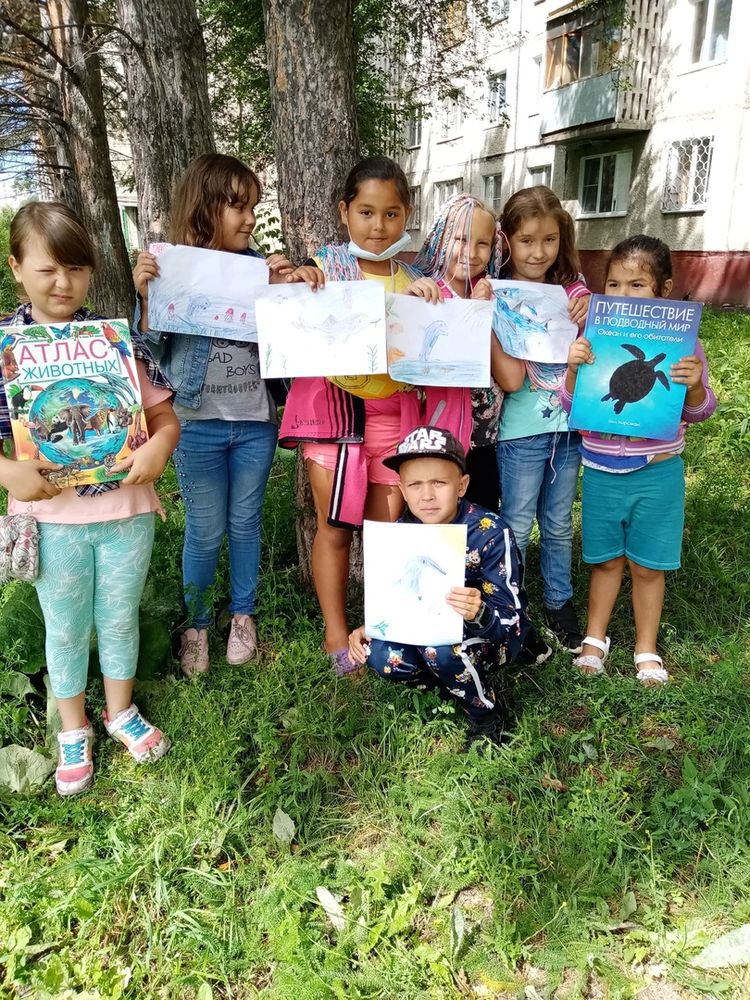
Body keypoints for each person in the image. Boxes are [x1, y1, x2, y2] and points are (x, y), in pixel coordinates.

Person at [0, 201, 180, 796]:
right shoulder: (5, 349)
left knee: (120, 615)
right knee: (65, 626)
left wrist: (158, 449)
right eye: (47, 268)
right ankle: (73, 727)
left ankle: (120, 710)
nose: (63, 282)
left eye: (76, 268)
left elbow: (164, 417)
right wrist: (7, 472)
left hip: (125, 512)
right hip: (51, 519)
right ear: (16, 268)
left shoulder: (116, 342)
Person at [279, 156, 472, 677]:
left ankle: (386, 632)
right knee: (335, 526)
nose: (378, 226)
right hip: (335, 418)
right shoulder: (324, 270)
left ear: (406, 215)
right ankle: (336, 637)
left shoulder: (416, 278)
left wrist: (429, 302)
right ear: (345, 212)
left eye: (391, 214)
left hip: (396, 421)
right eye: (366, 212)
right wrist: (297, 280)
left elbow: (440, 345)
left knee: (390, 533)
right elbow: (290, 309)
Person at [134, 153, 292, 677]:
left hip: (254, 422)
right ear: (205, 209)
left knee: (245, 524)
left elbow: (293, 343)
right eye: (238, 207)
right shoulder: (175, 270)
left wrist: (290, 290)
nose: (249, 219)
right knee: (203, 531)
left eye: (253, 208)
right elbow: (152, 349)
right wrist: (147, 297)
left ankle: (242, 615)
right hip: (196, 422)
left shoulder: (263, 270)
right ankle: (197, 624)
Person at [560, 235, 716, 685]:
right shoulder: (592, 338)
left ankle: (646, 647)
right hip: (601, 471)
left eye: (637, 285)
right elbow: (570, 406)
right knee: (605, 561)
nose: (623, 294)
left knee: (648, 565)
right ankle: (595, 638)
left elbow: (701, 412)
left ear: (663, 290)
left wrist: (695, 387)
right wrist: (572, 370)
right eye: (613, 284)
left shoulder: (686, 346)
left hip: (658, 472)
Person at [348, 425, 549, 750]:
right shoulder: (401, 533)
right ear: (402, 489)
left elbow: (508, 616)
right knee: (381, 655)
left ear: (461, 485)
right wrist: (372, 625)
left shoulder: (490, 531)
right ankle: (452, 684)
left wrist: (480, 612)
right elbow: (397, 594)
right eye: (415, 484)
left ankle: (485, 713)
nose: (426, 495)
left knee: (441, 649)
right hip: (426, 625)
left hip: (491, 632)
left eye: (439, 483)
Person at [493, 186, 590, 653]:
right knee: (515, 522)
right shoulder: (494, 289)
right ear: (507, 240)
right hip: (521, 431)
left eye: (549, 240)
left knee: (557, 522)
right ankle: (511, 605)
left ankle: (559, 601)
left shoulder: (573, 291)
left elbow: (597, 343)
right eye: (526, 240)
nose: (538, 252)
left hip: (569, 429)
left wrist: (591, 308)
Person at [412, 193, 526, 510]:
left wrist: (483, 314)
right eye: (460, 239)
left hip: (482, 444)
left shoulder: (496, 297)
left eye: (482, 243)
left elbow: (512, 380)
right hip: (433, 444)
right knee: (434, 526)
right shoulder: (424, 295)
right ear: (441, 238)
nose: (471, 253)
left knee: (481, 524)